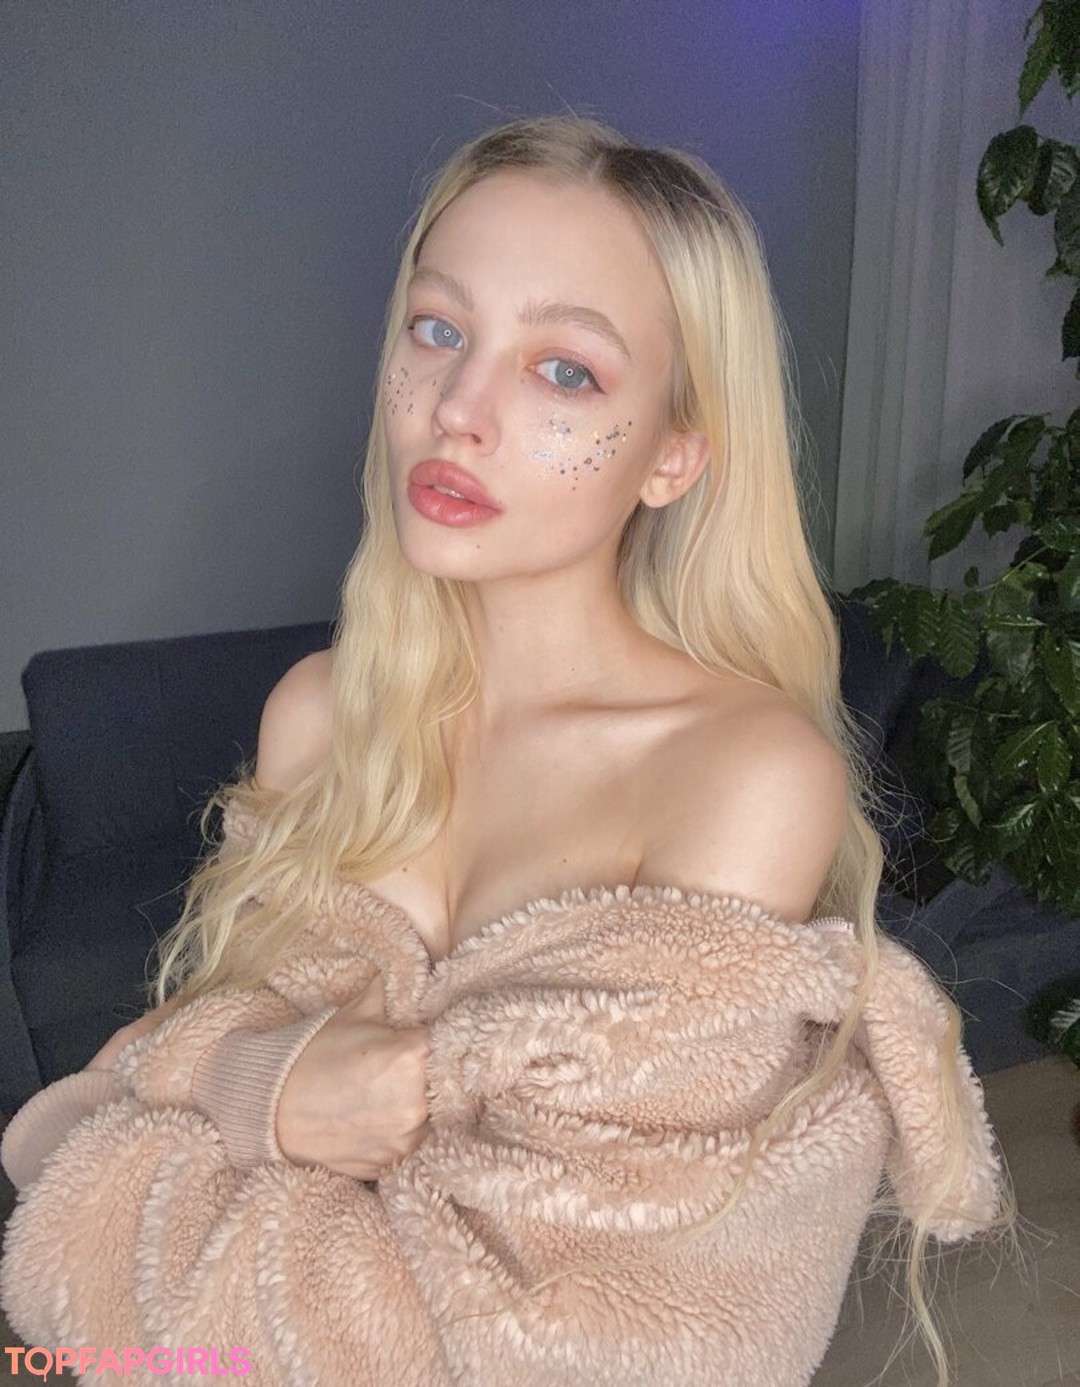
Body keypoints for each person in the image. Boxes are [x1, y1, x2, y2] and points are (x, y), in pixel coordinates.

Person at [0, 115, 1006, 1387]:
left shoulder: (742, 778)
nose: (458, 411)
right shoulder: (320, 716)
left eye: (565, 371)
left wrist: (187, 1136)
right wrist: (268, 1083)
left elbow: (564, 1341)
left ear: (675, 453)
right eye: (438, 329)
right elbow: (77, 1147)